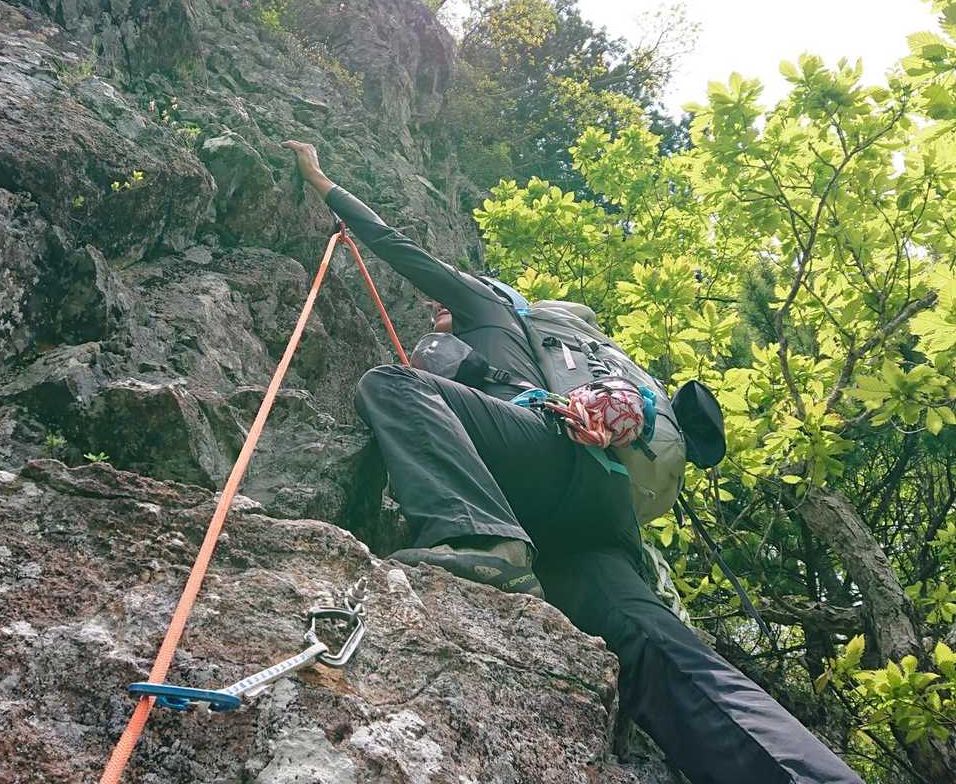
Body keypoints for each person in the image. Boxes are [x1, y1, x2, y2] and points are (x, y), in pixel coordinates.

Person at [283, 139, 864, 784]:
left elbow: (399, 247)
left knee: (394, 383)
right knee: (655, 647)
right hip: (599, 513)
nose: (436, 310)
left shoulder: (489, 308)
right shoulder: (565, 353)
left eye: (445, 303)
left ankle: (486, 543)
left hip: (545, 457)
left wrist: (321, 181)